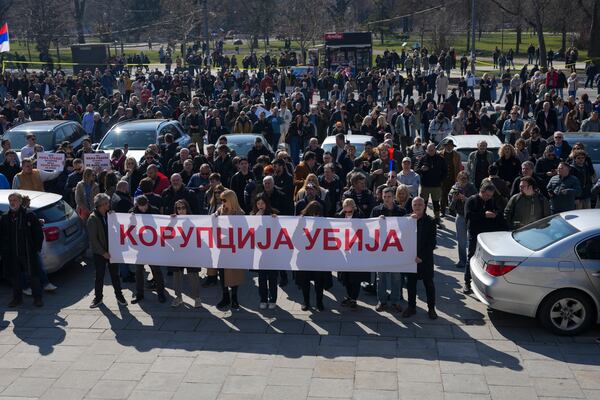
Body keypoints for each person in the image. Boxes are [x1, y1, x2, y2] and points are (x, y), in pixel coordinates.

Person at [1, 193, 44, 307]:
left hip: (27, 253)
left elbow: (38, 234)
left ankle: (37, 298)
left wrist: (35, 249)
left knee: (33, 276)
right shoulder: (5, 217)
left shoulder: (29, 215)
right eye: (10, 200)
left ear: (20, 201)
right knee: (15, 277)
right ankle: (17, 298)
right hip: (12, 254)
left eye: (14, 200)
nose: (12, 202)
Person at [87, 193, 127, 308]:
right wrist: (103, 252)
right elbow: (93, 239)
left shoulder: (109, 215)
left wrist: (115, 218)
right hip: (100, 253)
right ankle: (98, 298)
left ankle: (119, 296)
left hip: (112, 250)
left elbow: (118, 229)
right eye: (106, 204)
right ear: (100, 205)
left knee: (115, 275)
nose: (108, 205)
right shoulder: (93, 218)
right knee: (99, 276)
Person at [371, 188, 406, 312]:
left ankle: (395, 301)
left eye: (389, 196)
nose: (387, 199)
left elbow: (406, 229)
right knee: (381, 277)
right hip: (381, 249)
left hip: (396, 249)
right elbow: (370, 229)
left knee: (396, 277)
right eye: (385, 196)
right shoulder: (376, 211)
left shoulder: (401, 211)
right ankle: (382, 301)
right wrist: (376, 221)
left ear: (393, 197)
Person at [403, 197, 438, 319]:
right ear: (412, 206)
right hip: (410, 259)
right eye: (415, 204)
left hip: (425, 259)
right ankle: (411, 307)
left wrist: (421, 257)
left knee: (429, 284)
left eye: (420, 204)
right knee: (411, 285)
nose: (417, 206)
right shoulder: (406, 219)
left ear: (424, 206)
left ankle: (431, 308)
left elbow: (432, 243)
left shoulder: (430, 221)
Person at [464, 183, 502, 294]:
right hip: (475, 234)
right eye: (487, 195)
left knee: (486, 261)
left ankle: (482, 283)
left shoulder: (491, 201)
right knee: (471, 257)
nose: (488, 198)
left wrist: (495, 214)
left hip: (488, 235)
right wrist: (484, 215)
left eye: (490, 196)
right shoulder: (472, 200)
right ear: (481, 191)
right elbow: (469, 217)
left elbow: (498, 211)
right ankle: (467, 282)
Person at [295, 200, 332, 311]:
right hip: (305, 257)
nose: (315, 216)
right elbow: (295, 238)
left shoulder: (324, 222)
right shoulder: (301, 221)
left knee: (319, 282)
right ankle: (306, 302)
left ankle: (319, 302)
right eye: (313, 213)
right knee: (305, 281)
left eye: (317, 214)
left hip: (319, 257)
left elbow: (330, 238)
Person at [129, 195, 166, 304]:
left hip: (152, 246)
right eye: (141, 207)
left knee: (156, 271)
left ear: (147, 203)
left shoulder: (154, 210)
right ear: (137, 205)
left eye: (145, 206)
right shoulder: (132, 212)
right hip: (140, 247)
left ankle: (161, 293)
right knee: (139, 271)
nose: (143, 209)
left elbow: (161, 224)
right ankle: (139, 294)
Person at [214, 189, 246, 310]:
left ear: (231, 200)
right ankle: (225, 296)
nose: (222, 202)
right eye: (221, 200)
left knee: (235, 273)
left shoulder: (240, 214)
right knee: (222, 273)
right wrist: (215, 216)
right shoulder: (220, 210)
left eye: (224, 200)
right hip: (222, 248)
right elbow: (212, 219)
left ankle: (234, 297)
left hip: (234, 249)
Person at [170, 199, 202, 308]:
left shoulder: (193, 220)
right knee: (177, 276)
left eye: (183, 207)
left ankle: (197, 298)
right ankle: (178, 297)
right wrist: (171, 222)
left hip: (190, 252)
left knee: (193, 275)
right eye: (178, 208)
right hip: (177, 252)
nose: (181, 210)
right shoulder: (173, 220)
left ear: (187, 208)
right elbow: (166, 234)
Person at [252, 194, 279, 309]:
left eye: (262, 203)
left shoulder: (273, 215)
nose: (260, 206)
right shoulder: (253, 216)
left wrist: (274, 220)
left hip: (272, 253)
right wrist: (256, 219)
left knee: (272, 278)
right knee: (262, 278)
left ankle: (273, 299)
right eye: (258, 204)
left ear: (266, 204)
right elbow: (251, 232)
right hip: (260, 254)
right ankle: (263, 299)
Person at [448, 171, 477, 269]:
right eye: (461, 178)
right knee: (461, 241)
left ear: (468, 180)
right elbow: (451, 207)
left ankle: (472, 260)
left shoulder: (472, 188)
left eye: (465, 179)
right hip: (460, 216)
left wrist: (465, 199)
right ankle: (462, 260)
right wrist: (454, 199)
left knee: (472, 240)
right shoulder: (454, 189)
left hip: (470, 216)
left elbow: (476, 203)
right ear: (458, 179)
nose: (463, 181)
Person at [416, 143, 447, 222]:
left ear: (435, 150)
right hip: (425, 185)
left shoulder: (441, 159)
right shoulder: (423, 158)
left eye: (432, 150)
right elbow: (417, 170)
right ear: (426, 150)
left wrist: (441, 180)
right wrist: (422, 169)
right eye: (429, 150)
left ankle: (437, 218)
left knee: (436, 203)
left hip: (436, 185)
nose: (430, 152)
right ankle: (422, 217)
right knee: (424, 203)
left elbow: (445, 171)